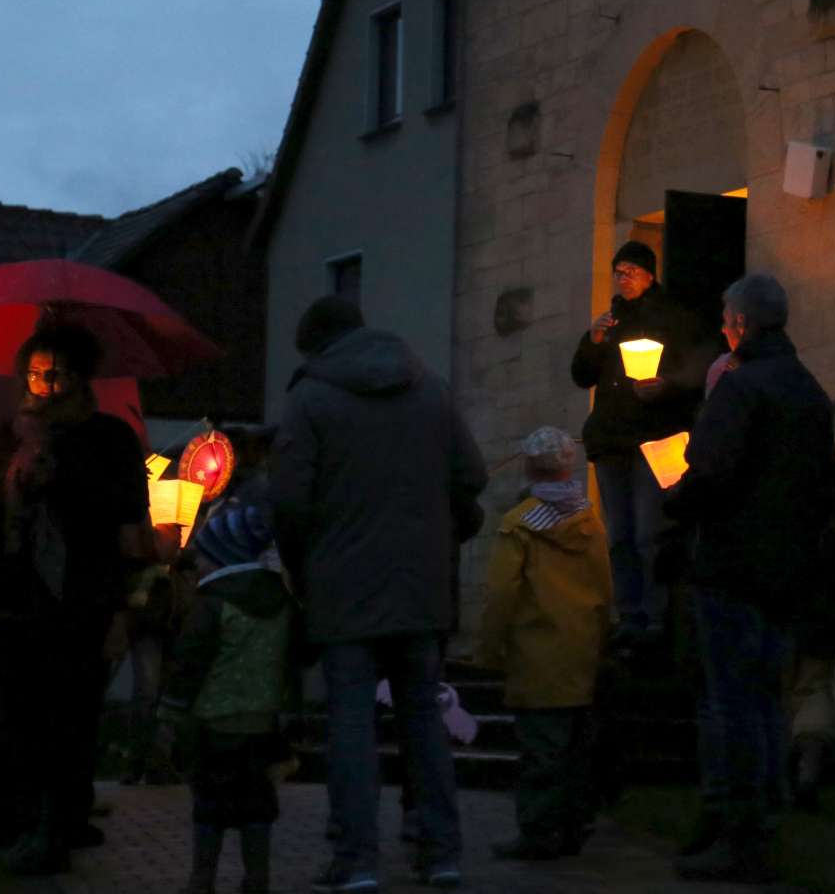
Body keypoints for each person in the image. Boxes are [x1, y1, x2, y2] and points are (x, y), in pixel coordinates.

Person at [271, 296, 487, 893]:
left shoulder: (310, 398)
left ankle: (356, 860)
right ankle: (442, 853)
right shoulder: (431, 389)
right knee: (422, 717)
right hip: (421, 587)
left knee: (351, 722)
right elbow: (472, 477)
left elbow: (288, 502)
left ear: (315, 346)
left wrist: (304, 568)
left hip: (344, 589)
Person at [663, 273, 835, 884]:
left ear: (742, 323)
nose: (721, 328)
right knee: (763, 700)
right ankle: (761, 824)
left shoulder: (741, 389)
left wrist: (676, 499)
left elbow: (709, 470)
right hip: (784, 569)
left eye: (724, 317)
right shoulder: (808, 390)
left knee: (734, 703)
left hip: (732, 566)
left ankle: (740, 834)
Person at [0, 323, 152, 875]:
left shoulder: (108, 437)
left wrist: (64, 481)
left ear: (79, 377)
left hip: (81, 598)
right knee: (25, 715)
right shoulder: (10, 437)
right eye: (36, 374)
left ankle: (59, 824)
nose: (46, 385)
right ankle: (30, 820)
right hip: (21, 597)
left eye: (58, 374)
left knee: (71, 716)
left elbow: (123, 511)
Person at [474, 426, 612, 861]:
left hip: (536, 652)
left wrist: (488, 650)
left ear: (530, 466)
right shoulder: (590, 521)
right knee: (575, 748)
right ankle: (573, 826)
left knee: (540, 751)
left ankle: (537, 832)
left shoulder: (518, 526)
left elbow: (501, 594)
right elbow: (605, 587)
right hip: (581, 649)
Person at [570, 239, 704, 647]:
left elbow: (694, 373)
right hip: (613, 441)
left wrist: (665, 387)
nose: (622, 278)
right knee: (621, 536)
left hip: (655, 439)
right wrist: (592, 341)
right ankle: (630, 614)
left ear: (649, 274)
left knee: (651, 531)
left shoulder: (673, 319)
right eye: (618, 271)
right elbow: (581, 374)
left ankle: (657, 613)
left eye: (630, 271)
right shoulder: (610, 323)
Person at [158, 505, 295, 894]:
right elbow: (295, 657)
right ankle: (257, 877)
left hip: (213, 725)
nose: (195, 562)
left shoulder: (211, 604)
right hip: (263, 724)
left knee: (209, 807)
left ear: (221, 557)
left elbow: (189, 663)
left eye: (202, 554)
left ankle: (202, 878)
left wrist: (170, 714)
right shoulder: (281, 602)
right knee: (257, 807)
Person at [787, 458, 835, 812]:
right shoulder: (833, 472)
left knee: (784, 686)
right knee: (815, 686)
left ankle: (785, 771)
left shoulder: (778, 470)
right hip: (826, 601)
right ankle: (808, 770)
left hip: (786, 597)